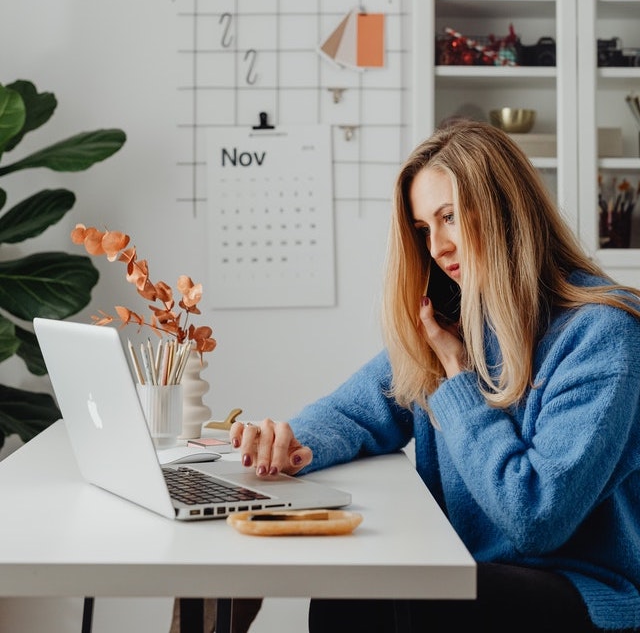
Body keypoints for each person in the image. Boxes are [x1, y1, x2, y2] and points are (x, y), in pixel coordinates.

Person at [230, 119, 640, 633]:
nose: (437, 247)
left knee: (375, 600)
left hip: (577, 586)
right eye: (424, 229)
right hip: (466, 568)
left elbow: (536, 516)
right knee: (346, 592)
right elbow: (357, 410)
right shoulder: (459, 321)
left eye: (449, 217)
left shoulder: (603, 333)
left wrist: (457, 380)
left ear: (506, 210)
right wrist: (288, 443)